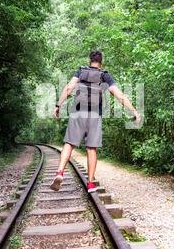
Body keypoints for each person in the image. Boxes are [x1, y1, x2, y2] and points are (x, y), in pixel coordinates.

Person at [51, 50, 141, 193]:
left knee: (69, 144)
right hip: (94, 115)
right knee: (91, 148)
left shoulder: (80, 71)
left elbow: (68, 87)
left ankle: (59, 172)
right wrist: (134, 110)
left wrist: (58, 105)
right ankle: (90, 183)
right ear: (101, 62)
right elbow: (119, 94)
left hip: (77, 113)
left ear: (89, 61)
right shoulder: (104, 75)